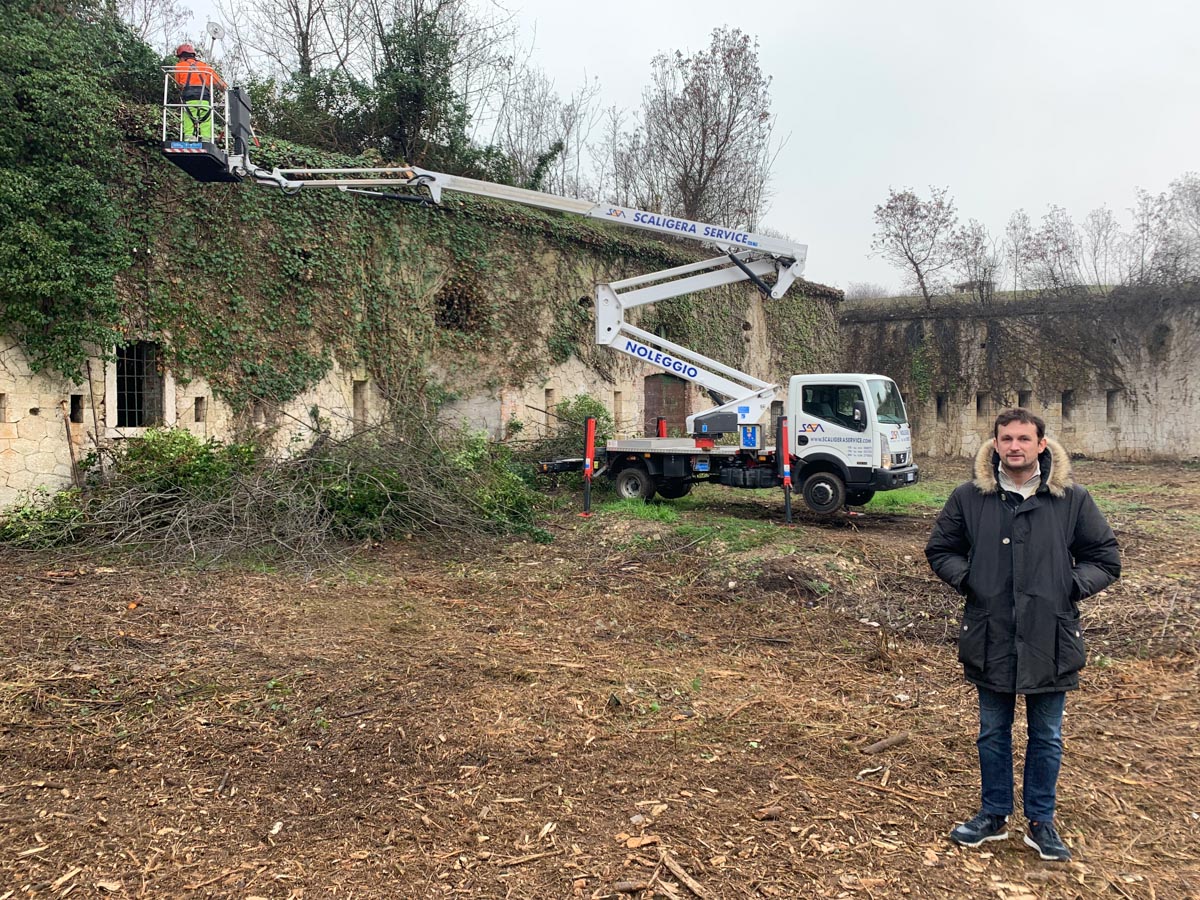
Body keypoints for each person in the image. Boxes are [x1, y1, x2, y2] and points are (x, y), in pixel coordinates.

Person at [926, 408, 1120, 862]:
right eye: (1006, 438)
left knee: (1046, 734)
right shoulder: (969, 497)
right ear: (994, 444)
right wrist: (970, 580)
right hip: (991, 633)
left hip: (1050, 637)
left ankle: (1041, 820)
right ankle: (993, 814)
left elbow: (1105, 557)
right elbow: (940, 549)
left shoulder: (1071, 498)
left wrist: (1069, 586)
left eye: (1023, 439)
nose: (1014, 446)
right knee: (993, 731)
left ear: (1041, 444)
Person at [172, 43, 226, 142]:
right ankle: (206, 140)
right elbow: (221, 85)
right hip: (204, 100)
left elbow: (179, 85)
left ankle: (189, 139)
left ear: (182, 57)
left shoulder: (179, 66)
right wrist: (224, 91)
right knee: (205, 119)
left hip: (189, 100)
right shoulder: (205, 67)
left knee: (188, 118)